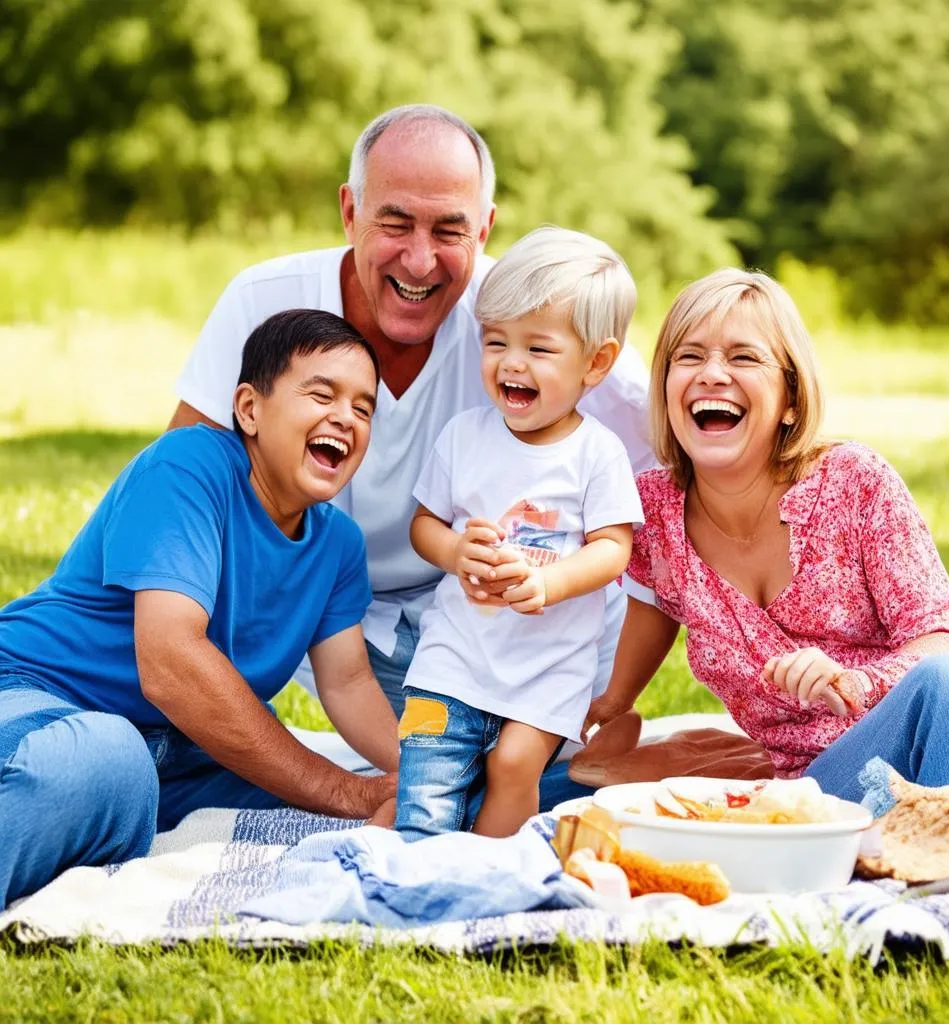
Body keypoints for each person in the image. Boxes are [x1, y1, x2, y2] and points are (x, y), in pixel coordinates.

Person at [168, 105, 654, 733]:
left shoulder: (528, 318)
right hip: (337, 617)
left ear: (484, 230)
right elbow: (183, 488)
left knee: (535, 774)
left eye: (449, 230)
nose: (420, 261)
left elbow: (680, 443)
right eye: (394, 222)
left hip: (513, 613)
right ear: (350, 212)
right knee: (434, 770)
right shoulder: (266, 302)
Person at [0, 310, 399, 907]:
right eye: (322, 394)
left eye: (364, 408)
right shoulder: (187, 467)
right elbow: (171, 664)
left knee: (489, 783)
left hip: (180, 755)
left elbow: (347, 681)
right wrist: (347, 791)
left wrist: (425, 773)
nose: (345, 416)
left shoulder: (337, 545)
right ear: (250, 409)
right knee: (109, 764)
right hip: (35, 695)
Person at [584, 268, 949, 802]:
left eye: (743, 357)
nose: (712, 374)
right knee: (565, 788)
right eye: (690, 356)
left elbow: (946, 642)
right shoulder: (652, 512)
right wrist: (612, 701)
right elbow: (657, 598)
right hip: (828, 771)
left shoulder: (854, 481)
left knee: (939, 688)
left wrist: (855, 682)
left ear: (791, 399)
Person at [393, 227, 644, 840]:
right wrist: (454, 551)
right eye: (496, 340)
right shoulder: (464, 436)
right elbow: (424, 524)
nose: (511, 362)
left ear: (597, 362)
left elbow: (615, 549)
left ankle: (487, 871)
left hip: (547, 667)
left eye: (539, 348)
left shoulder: (596, 453)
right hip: (453, 657)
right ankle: (416, 866)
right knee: (425, 766)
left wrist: (551, 581)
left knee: (512, 765)